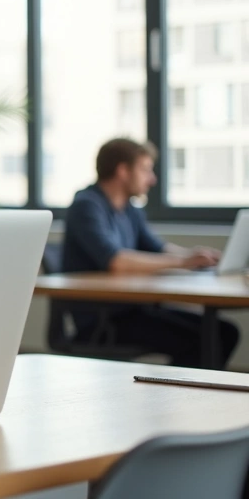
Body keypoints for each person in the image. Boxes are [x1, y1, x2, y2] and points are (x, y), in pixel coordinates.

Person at [60, 137, 239, 368]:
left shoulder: (130, 209)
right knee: (205, 340)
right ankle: (176, 389)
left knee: (225, 333)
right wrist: (184, 262)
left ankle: (180, 387)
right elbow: (116, 260)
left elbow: (157, 248)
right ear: (123, 171)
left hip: (135, 310)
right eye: (145, 170)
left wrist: (196, 256)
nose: (152, 179)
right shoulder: (86, 206)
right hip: (104, 320)